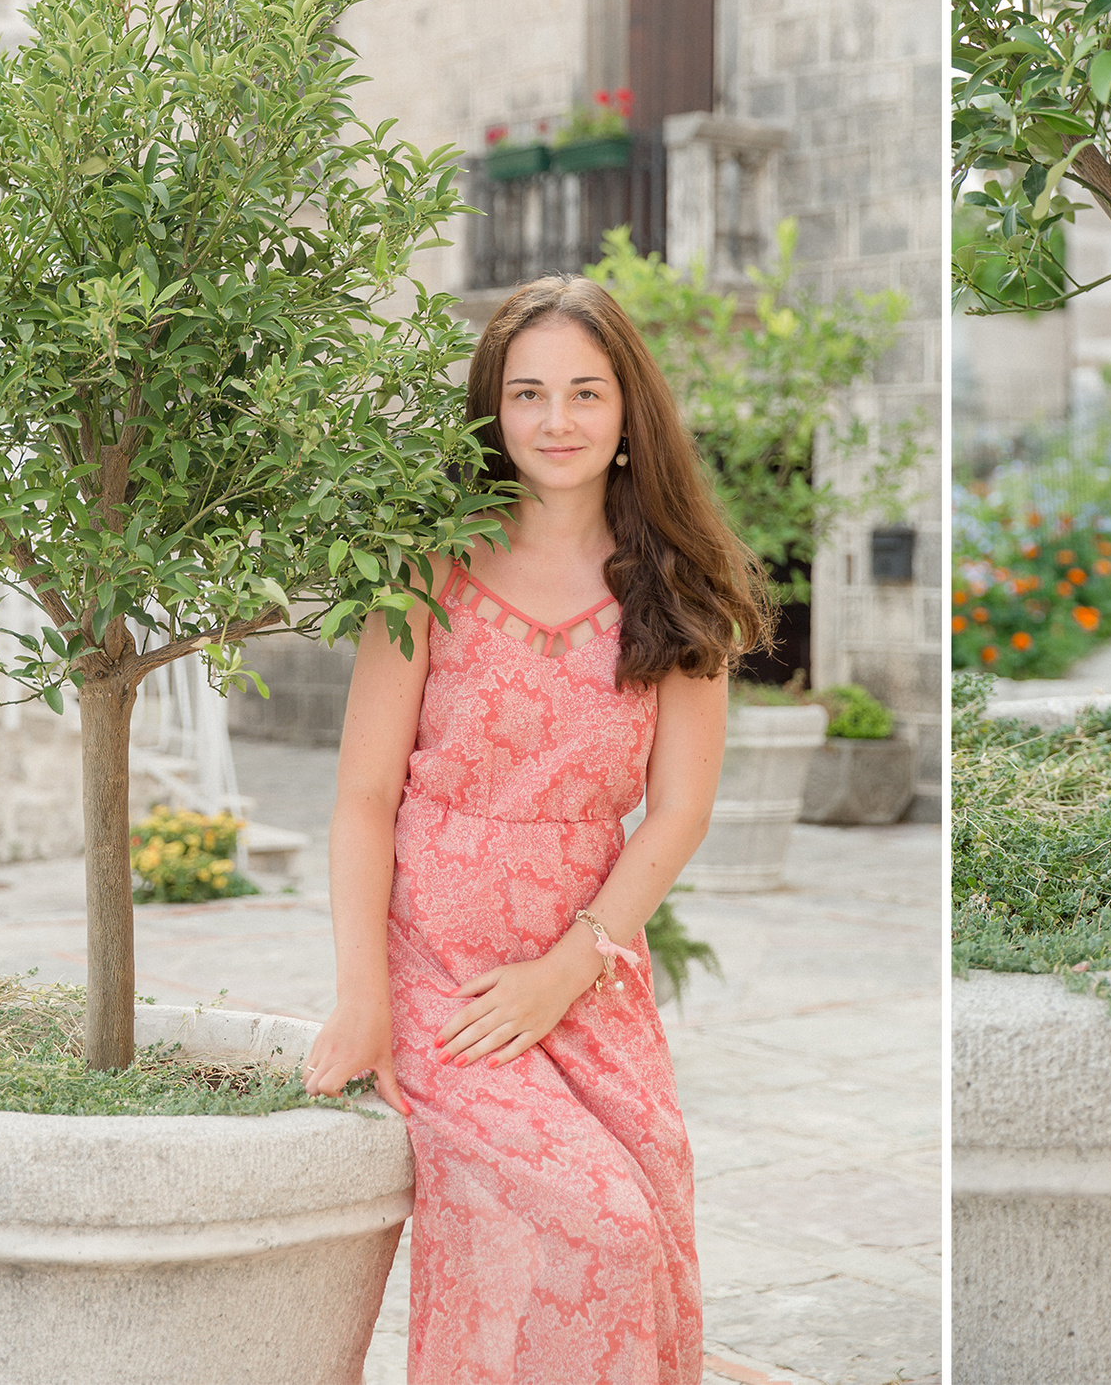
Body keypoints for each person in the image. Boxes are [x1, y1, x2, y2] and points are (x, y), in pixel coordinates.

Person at [302, 274, 774, 1385]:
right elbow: (364, 796)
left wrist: (567, 970)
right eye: (527, 394)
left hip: (588, 964)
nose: (555, 422)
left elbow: (682, 810)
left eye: (583, 393)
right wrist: (364, 998)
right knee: (592, 1222)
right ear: (492, 411)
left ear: (626, 416)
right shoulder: (424, 570)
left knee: (647, 1202)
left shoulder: (678, 585)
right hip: (438, 970)